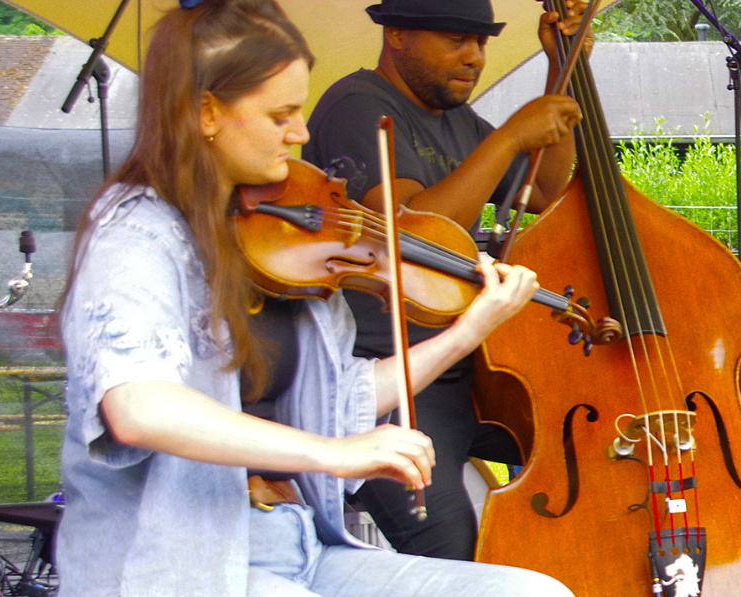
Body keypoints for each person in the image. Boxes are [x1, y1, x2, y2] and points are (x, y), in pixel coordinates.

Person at [56, 1, 573, 595]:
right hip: (184, 562)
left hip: (299, 546)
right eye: (282, 114)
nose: (302, 134)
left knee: (532, 591)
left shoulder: (278, 234)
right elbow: (140, 409)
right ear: (206, 112)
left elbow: (343, 397)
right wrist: (334, 454)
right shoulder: (132, 232)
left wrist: (468, 330)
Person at [300, 0, 587, 560]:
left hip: (470, 359)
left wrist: (562, 69)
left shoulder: (456, 118)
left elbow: (548, 191)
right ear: (398, 34)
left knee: (581, 456)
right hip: (392, 373)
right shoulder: (358, 105)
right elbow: (412, 238)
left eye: (481, 42)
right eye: (456, 39)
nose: (474, 56)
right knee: (451, 544)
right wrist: (507, 138)